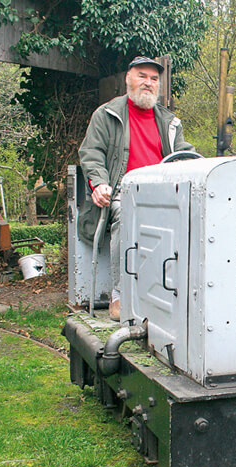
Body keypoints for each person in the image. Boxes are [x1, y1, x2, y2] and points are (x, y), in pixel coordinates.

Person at [79, 56, 194, 321]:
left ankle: (177, 295)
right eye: (142, 76)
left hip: (163, 194)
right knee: (127, 216)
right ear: (128, 79)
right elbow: (92, 153)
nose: (148, 83)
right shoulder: (106, 115)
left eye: (154, 79)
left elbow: (183, 154)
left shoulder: (170, 122)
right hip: (123, 192)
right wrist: (99, 183)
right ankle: (121, 294)